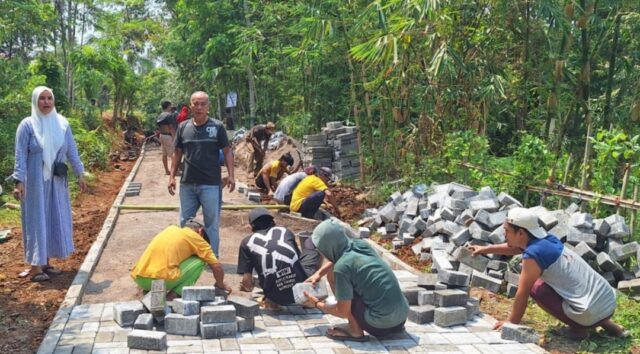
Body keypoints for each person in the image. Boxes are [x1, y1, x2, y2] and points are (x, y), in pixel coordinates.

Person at [469, 207, 628, 340]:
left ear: (521, 234)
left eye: (507, 231)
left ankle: (578, 331)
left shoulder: (532, 256)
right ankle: (613, 328)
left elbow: (522, 293)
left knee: (536, 288)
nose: (505, 235)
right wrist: (485, 249)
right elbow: (517, 248)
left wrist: (512, 322)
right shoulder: (547, 240)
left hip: (589, 313)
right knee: (578, 292)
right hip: (608, 301)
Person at [12, 86, 88, 282]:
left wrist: (80, 173)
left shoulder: (62, 124)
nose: (46, 102)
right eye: (42, 99)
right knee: (36, 220)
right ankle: (36, 267)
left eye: (49, 98)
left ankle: (46, 262)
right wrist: (19, 181)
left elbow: (72, 150)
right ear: (35, 101)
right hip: (35, 181)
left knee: (53, 216)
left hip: (56, 181)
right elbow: (20, 154)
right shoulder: (27, 125)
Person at [303, 219, 409, 342]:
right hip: (401, 318)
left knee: (340, 289)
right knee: (332, 274)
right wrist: (319, 274)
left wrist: (317, 304)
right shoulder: (360, 244)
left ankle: (355, 331)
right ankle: (365, 323)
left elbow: (342, 311)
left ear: (327, 246)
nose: (319, 251)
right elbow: (339, 256)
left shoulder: (342, 269)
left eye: (319, 248)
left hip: (379, 326)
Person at [168, 91, 235, 257]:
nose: (199, 107)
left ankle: (212, 257)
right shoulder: (183, 127)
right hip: (187, 184)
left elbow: (227, 152)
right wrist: (171, 177)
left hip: (210, 185)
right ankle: (187, 256)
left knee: (211, 223)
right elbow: (177, 153)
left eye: (202, 104)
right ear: (190, 106)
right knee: (185, 222)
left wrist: (231, 175)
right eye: (195, 104)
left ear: (208, 107)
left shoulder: (217, 127)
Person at [237, 208, 322, 306]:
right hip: (301, 290)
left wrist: (246, 286)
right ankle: (315, 289)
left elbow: (247, 284)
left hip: (275, 297)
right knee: (310, 243)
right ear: (273, 222)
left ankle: (272, 301)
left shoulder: (246, 242)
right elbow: (296, 260)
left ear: (251, 226)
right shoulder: (285, 231)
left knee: (268, 274)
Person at [130, 218, 231, 299]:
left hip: (139, 278)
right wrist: (220, 284)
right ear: (200, 231)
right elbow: (216, 266)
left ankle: (150, 294)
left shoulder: (171, 229)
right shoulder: (197, 239)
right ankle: (171, 298)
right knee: (201, 260)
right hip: (159, 281)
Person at [156, 101, 177, 175]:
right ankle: (174, 172)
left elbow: (158, 127)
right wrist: (174, 138)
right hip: (168, 136)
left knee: (164, 154)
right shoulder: (169, 115)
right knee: (174, 154)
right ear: (168, 106)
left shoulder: (160, 115)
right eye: (171, 105)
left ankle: (166, 171)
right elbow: (171, 127)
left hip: (161, 135)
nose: (171, 107)